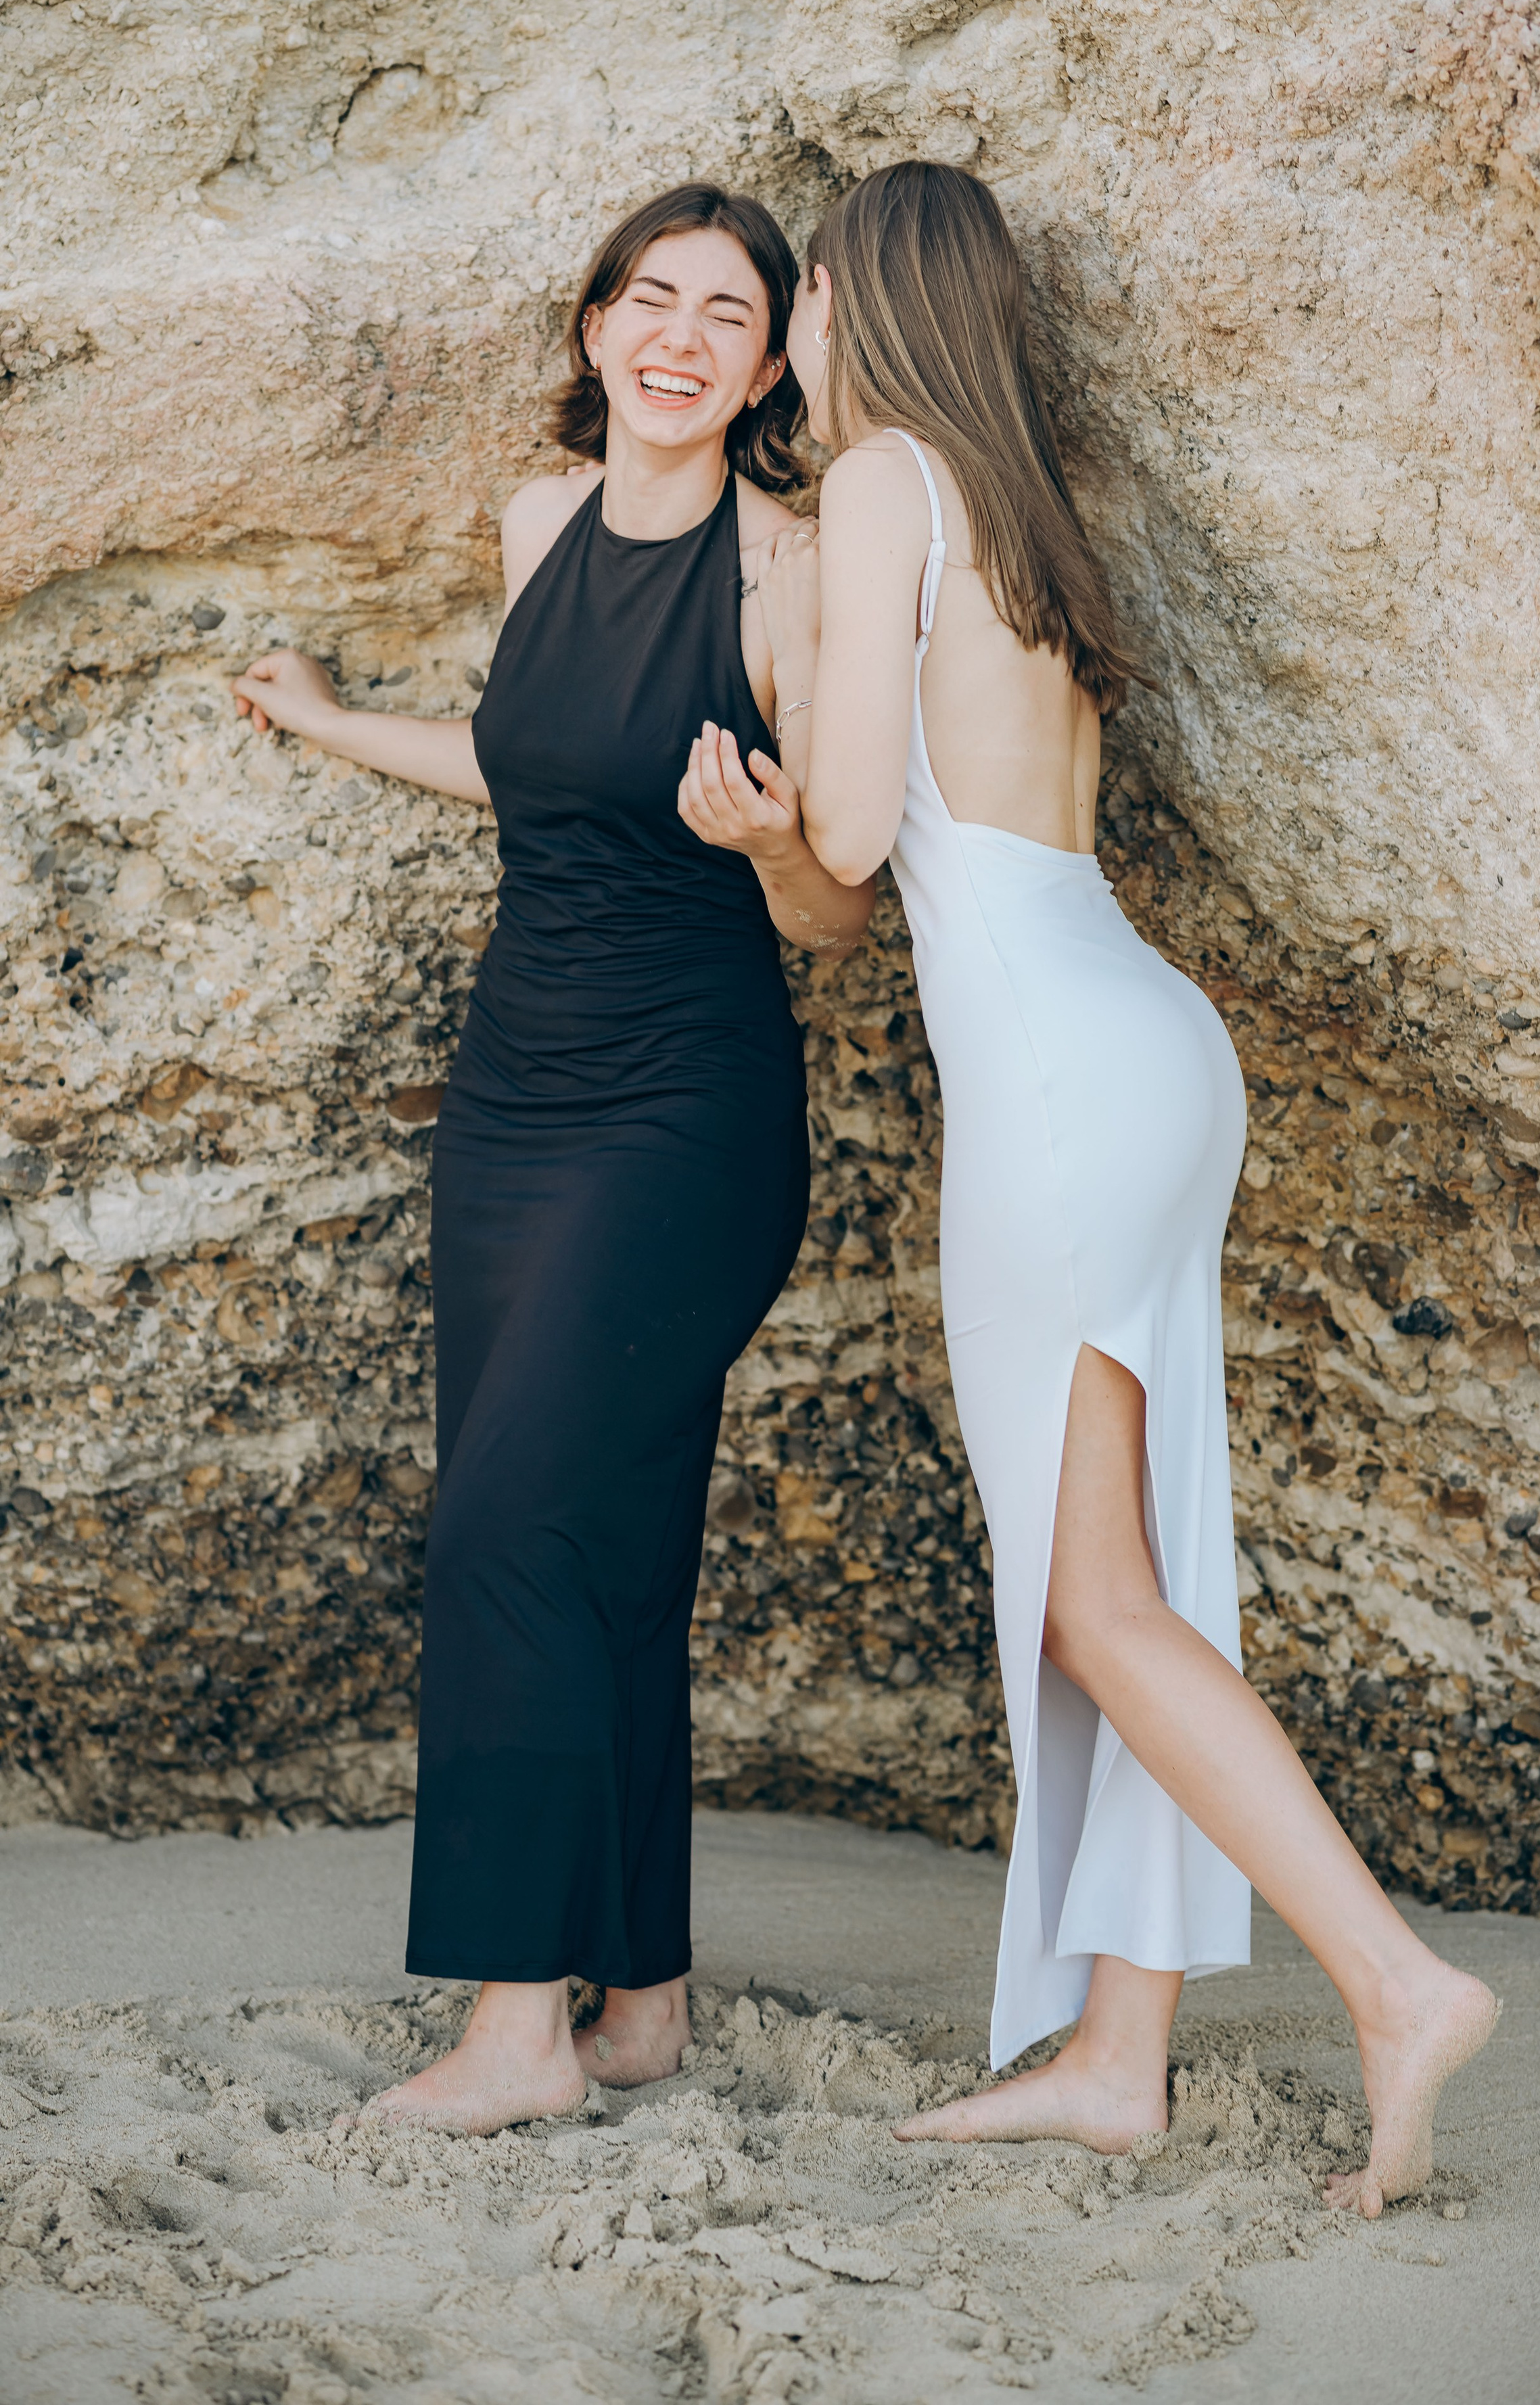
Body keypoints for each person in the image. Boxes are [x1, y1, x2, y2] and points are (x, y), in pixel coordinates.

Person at [702, 160, 1497, 2217]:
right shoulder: (1018, 507)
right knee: (1144, 1578)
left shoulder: (882, 483)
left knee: (1097, 1600)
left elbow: (854, 849)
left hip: (1055, 1078)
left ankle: (1397, 1981)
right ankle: (1120, 2058)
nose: (782, 331)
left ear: (862, 304)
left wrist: (776, 689)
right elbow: (894, 868)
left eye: (799, 296)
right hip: (1145, 1038)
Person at [233, 182, 872, 2134]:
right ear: (596, 329)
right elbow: (536, 763)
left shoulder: (795, 573)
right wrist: (335, 728)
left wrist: (765, 837)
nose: (681, 335)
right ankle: (645, 2006)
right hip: (513, 1101)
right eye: (650, 298)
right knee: (605, 1554)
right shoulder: (537, 523)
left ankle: (520, 2035)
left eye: (728, 313)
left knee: (505, 1532)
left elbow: (842, 902)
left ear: (768, 368)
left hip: (686, 1117)